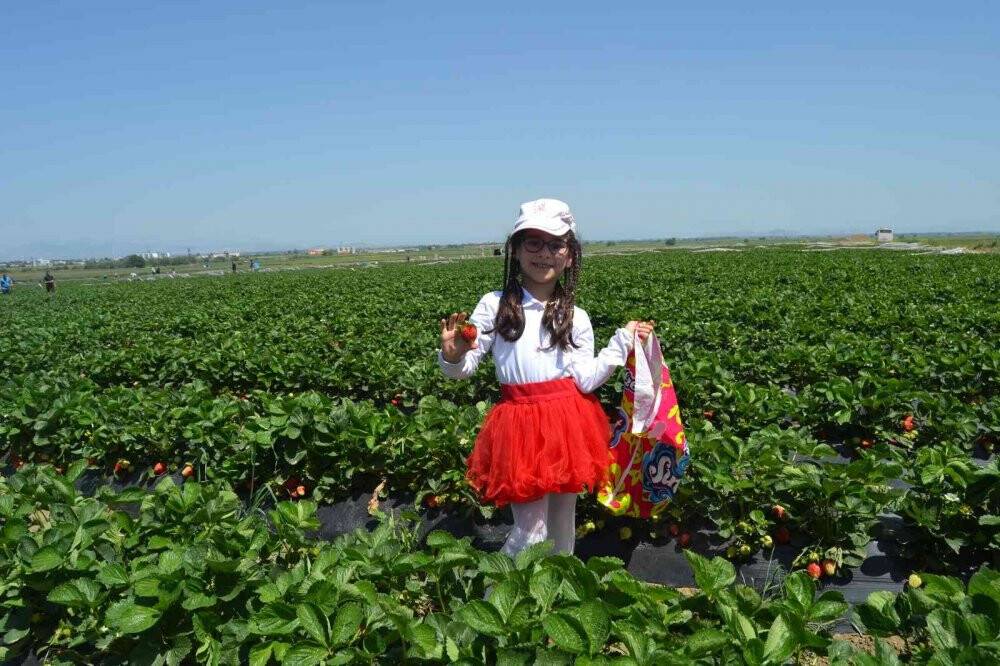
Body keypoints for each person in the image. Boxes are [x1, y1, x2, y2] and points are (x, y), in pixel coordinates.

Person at [438, 198, 654, 557]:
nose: (544, 254)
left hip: (568, 423)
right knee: (531, 529)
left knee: (561, 524)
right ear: (516, 250)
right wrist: (453, 354)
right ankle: (499, 588)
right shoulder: (494, 305)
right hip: (520, 425)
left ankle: (557, 587)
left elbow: (585, 380)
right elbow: (464, 368)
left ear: (570, 255)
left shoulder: (576, 317)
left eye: (556, 244)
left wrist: (622, 341)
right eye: (533, 243)